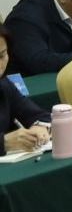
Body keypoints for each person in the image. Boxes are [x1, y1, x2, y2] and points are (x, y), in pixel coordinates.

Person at [0, 26, 53, 155]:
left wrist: (39, 127)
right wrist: (4, 142)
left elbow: (39, 115)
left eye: (2, 55)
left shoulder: (4, 85)